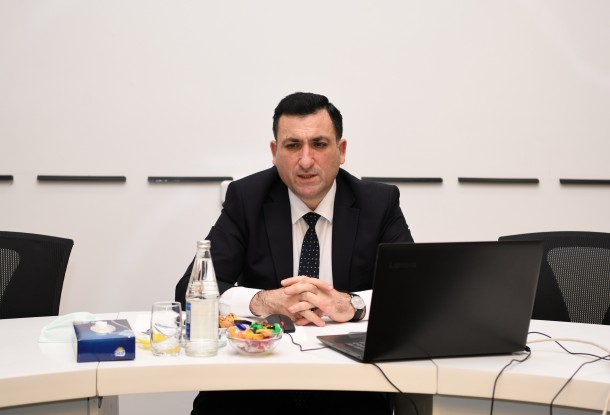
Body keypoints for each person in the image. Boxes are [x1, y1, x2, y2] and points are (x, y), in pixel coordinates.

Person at [176, 92, 413, 415]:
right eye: (292, 146)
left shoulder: (378, 203)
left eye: (319, 144)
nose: (305, 160)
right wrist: (262, 301)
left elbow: (413, 295)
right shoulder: (246, 198)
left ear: (341, 151)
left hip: (349, 389)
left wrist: (352, 305)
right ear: (275, 153)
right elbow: (189, 293)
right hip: (254, 386)